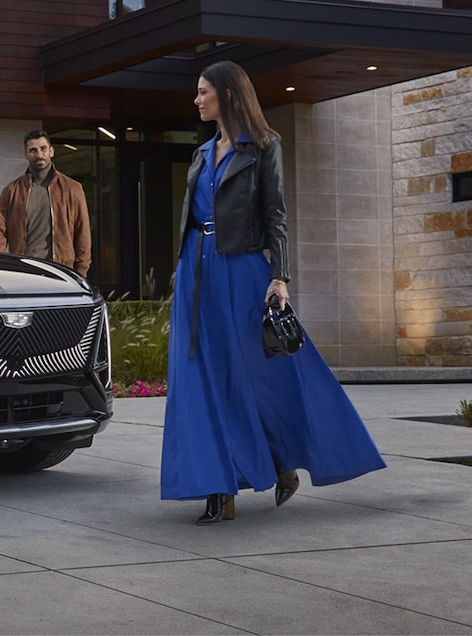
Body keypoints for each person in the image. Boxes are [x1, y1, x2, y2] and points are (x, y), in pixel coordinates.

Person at [160, 60, 386, 525]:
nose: (197, 100)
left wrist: (279, 277)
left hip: (241, 269)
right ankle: (218, 487)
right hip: (194, 273)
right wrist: (179, 272)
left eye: (203, 92)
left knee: (260, 376)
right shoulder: (202, 152)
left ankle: (281, 460)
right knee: (200, 380)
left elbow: (276, 216)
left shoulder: (264, 147)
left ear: (226, 93)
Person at [0, 129, 92, 277]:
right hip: (24, 271)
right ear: (26, 154)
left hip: (61, 271)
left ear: (51, 151)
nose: (39, 155)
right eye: (33, 150)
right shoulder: (12, 191)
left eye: (43, 149)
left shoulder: (72, 188)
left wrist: (81, 272)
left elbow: (83, 232)